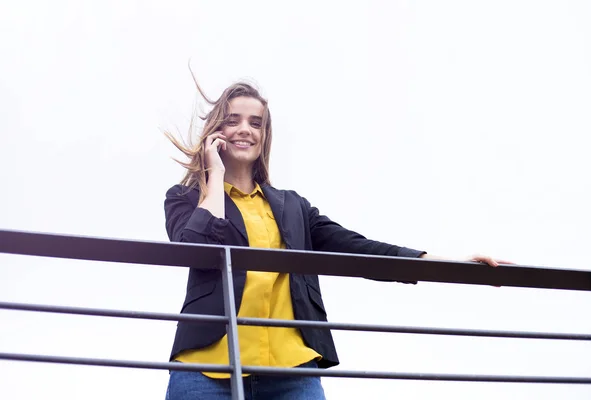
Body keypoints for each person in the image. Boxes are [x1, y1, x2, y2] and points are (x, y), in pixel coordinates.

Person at [163, 78, 504, 399]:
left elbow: (359, 248)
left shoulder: (292, 207)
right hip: (206, 368)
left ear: (265, 135)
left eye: (256, 123)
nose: (244, 130)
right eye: (233, 120)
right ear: (216, 131)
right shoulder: (186, 198)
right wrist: (214, 176)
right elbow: (189, 249)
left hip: (292, 372)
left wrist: (445, 263)